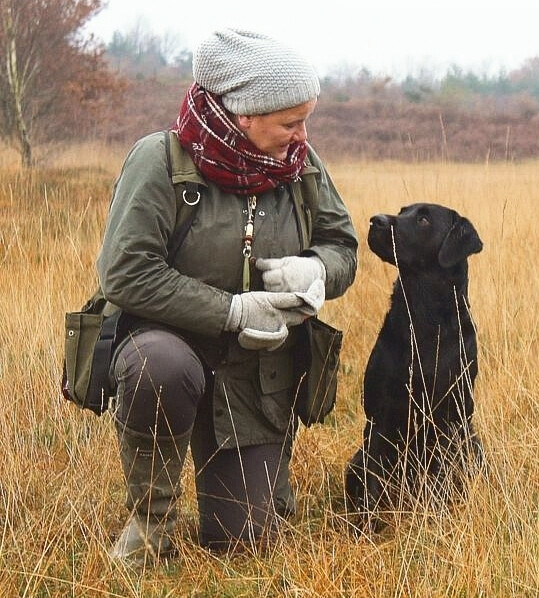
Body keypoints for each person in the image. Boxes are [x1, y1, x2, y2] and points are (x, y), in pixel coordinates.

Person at [97, 28, 358, 563]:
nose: (303, 134)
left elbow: (342, 246)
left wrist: (314, 271)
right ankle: (150, 522)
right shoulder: (159, 160)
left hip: (253, 376)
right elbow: (124, 273)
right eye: (290, 121)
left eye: (306, 118)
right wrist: (233, 310)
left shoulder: (301, 166)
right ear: (243, 113)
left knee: (243, 541)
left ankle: (258, 485)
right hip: (170, 346)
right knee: (159, 364)